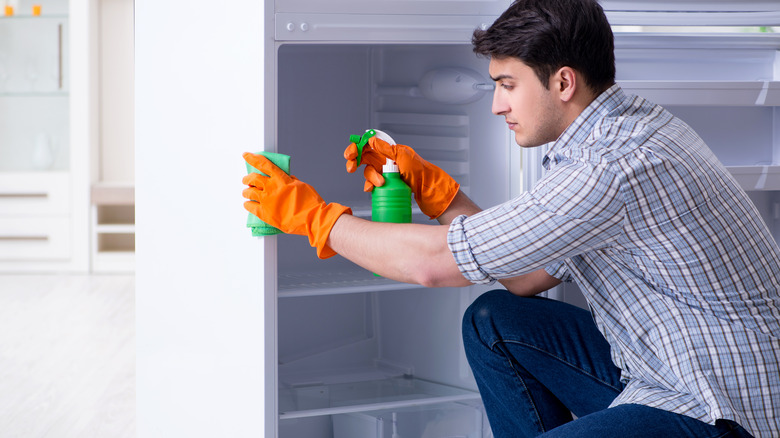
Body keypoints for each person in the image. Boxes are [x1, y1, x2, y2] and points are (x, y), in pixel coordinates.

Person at [241, 0, 780, 436]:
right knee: (495, 320)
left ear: (563, 82)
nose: (497, 104)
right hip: (661, 368)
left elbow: (432, 265)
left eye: (507, 83)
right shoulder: (618, 130)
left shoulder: (611, 166)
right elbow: (527, 276)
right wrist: (439, 193)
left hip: (720, 408)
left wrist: (315, 218)